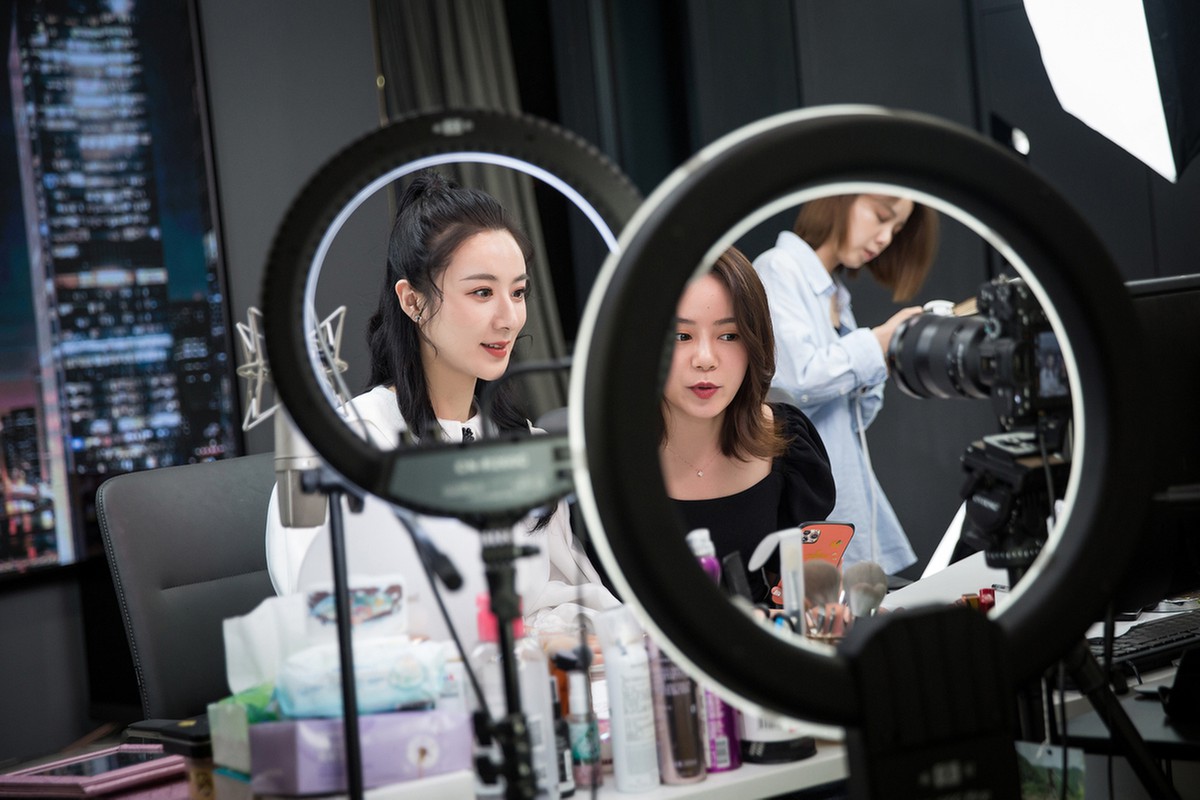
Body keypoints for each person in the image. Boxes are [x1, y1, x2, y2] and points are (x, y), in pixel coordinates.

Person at [265, 171, 619, 649]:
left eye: (517, 292)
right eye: (482, 292)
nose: (509, 318)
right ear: (413, 301)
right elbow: (322, 620)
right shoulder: (341, 447)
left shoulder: (521, 445)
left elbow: (565, 595)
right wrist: (516, 648)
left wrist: (544, 640)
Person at [753, 193, 939, 576]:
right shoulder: (777, 269)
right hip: (807, 497)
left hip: (846, 492)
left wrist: (884, 355)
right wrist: (878, 342)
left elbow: (854, 419)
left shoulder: (837, 295)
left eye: (896, 230)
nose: (885, 238)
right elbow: (795, 383)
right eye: (881, 216)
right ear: (840, 199)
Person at [660, 247, 836, 604]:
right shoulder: (600, 459)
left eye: (729, 336)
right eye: (681, 336)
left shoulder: (788, 442)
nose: (705, 359)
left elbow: (799, 589)